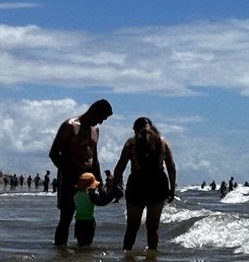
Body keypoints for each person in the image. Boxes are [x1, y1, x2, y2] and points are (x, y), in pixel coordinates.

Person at [49, 99, 113, 246]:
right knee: (66, 217)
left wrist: (101, 184)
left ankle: (81, 255)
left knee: (86, 215)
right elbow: (54, 153)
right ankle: (60, 253)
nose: (101, 122)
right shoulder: (70, 126)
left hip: (88, 178)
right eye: (101, 118)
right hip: (69, 175)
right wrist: (68, 173)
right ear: (94, 110)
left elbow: (94, 159)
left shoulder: (95, 130)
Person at [111, 116, 178, 251]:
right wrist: (172, 188)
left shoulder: (131, 143)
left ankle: (127, 257)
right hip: (158, 183)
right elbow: (171, 166)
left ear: (135, 129)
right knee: (153, 227)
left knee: (132, 226)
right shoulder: (162, 142)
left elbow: (120, 166)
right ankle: (152, 260)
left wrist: (114, 186)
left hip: (137, 183)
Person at [70, 171, 118, 247]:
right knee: (88, 243)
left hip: (78, 222)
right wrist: (112, 195)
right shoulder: (91, 196)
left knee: (80, 243)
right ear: (91, 186)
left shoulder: (76, 194)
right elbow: (102, 202)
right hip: (89, 222)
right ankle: (86, 256)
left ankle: (79, 255)